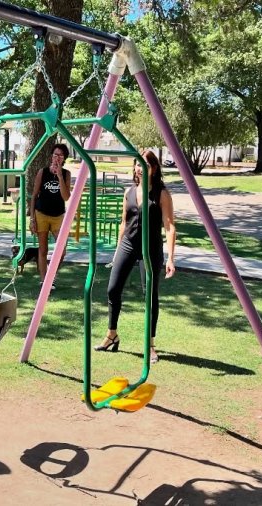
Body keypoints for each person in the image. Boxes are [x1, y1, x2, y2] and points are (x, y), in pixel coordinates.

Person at [97, 150, 177, 363]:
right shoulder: (128, 192)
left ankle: (150, 346)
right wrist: (116, 251)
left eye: (145, 165)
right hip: (128, 245)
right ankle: (111, 335)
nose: (140, 168)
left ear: (154, 169)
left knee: (149, 295)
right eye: (137, 164)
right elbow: (124, 223)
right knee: (112, 289)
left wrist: (170, 258)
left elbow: (169, 226)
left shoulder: (161, 194)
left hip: (150, 250)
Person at [30, 143, 72, 288]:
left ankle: (51, 276)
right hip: (41, 213)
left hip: (58, 216)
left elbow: (66, 197)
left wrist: (60, 176)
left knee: (62, 251)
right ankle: (44, 281)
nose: (57, 158)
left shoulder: (66, 174)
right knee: (43, 249)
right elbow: (34, 195)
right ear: (51, 156)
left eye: (60, 155)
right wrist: (32, 219)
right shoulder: (42, 172)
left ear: (64, 158)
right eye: (55, 155)